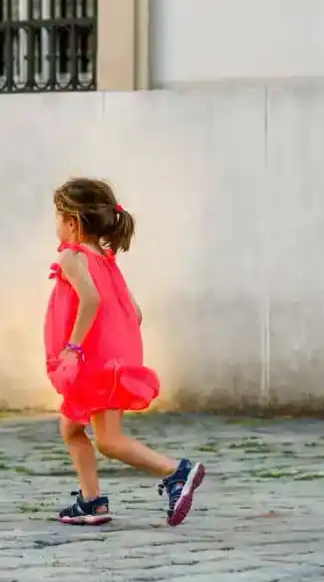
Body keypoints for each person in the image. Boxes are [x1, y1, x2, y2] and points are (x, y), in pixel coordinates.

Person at [45, 178, 206, 527]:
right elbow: (134, 311)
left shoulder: (72, 258)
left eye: (57, 215)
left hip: (92, 360)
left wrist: (73, 347)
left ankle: (176, 472)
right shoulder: (104, 257)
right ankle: (92, 503)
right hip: (112, 358)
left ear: (71, 221)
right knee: (71, 428)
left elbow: (91, 299)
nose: (55, 223)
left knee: (109, 440)